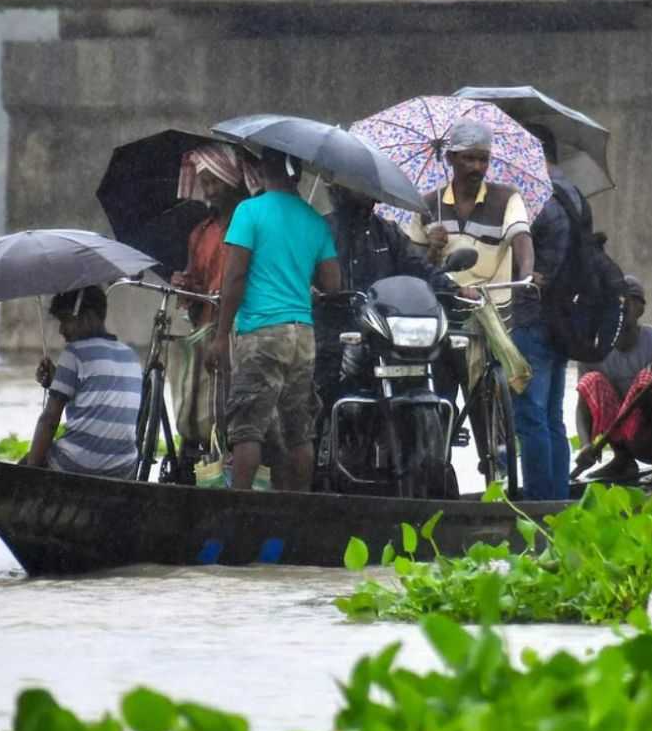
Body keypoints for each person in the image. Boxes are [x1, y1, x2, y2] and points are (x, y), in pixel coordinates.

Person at [401, 118, 536, 471]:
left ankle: (498, 467)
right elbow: (411, 264)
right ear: (451, 159)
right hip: (445, 314)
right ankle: (437, 472)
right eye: (469, 159)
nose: (477, 167)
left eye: (483, 159)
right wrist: (431, 248)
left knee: (487, 400)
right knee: (440, 397)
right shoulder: (428, 205)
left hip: (491, 314)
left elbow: (521, 237)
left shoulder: (507, 198)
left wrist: (527, 274)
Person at [207, 148, 341, 491]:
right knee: (298, 431)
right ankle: (297, 511)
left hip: (262, 332)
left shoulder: (249, 211)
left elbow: (234, 277)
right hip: (303, 335)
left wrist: (221, 335)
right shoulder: (314, 219)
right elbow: (332, 283)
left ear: (262, 170)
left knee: (247, 426)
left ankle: (238, 507)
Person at [317, 184, 465, 430]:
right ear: (341, 185)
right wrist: (316, 293)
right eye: (358, 180)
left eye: (368, 181)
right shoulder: (323, 229)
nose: (366, 186)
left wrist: (453, 289)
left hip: (386, 334)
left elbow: (419, 268)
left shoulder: (388, 232)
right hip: (338, 334)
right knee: (321, 396)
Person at [168, 143, 258, 468]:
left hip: (245, 332)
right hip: (208, 331)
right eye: (204, 182)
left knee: (238, 415)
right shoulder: (200, 233)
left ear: (232, 179)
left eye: (214, 181)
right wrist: (185, 284)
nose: (208, 190)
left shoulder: (252, 225)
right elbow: (196, 287)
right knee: (201, 409)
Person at [510, 123, 582, 500]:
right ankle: (557, 502)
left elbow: (522, 256)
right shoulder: (573, 193)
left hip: (531, 315)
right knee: (552, 416)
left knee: (529, 416)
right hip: (564, 318)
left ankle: (538, 504)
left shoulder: (537, 199)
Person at [574, 276, 652, 485]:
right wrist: (585, 445)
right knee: (592, 381)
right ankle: (623, 459)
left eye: (624, 302)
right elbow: (583, 402)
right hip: (634, 438)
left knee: (647, 379)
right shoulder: (593, 350)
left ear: (640, 310)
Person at [22, 286, 142, 478]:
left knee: (24, 465)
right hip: (125, 466)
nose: (61, 330)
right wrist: (57, 381)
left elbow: (50, 420)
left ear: (88, 317)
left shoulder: (74, 353)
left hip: (78, 463)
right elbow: (101, 403)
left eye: (66, 320)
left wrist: (30, 471)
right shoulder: (130, 355)